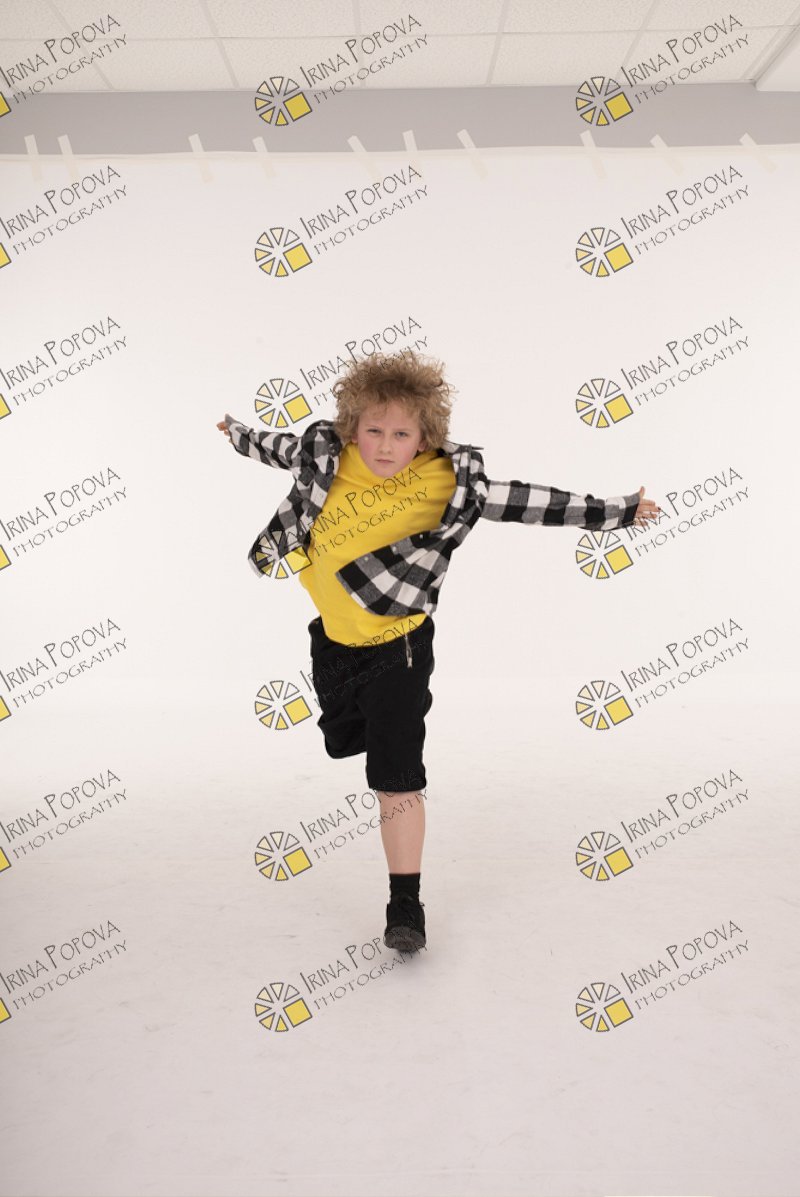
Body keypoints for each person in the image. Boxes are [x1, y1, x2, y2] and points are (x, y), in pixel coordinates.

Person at [217, 351, 661, 953]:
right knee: (343, 741)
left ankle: (405, 903)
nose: (385, 446)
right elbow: (277, 447)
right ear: (352, 428)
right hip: (334, 643)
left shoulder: (447, 483)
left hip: (399, 646)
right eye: (374, 430)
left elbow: (529, 501)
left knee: (395, 778)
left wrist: (618, 512)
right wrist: (237, 433)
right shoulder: (325, 455)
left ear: (424, 437)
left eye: (401, 434)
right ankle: (379, 751)